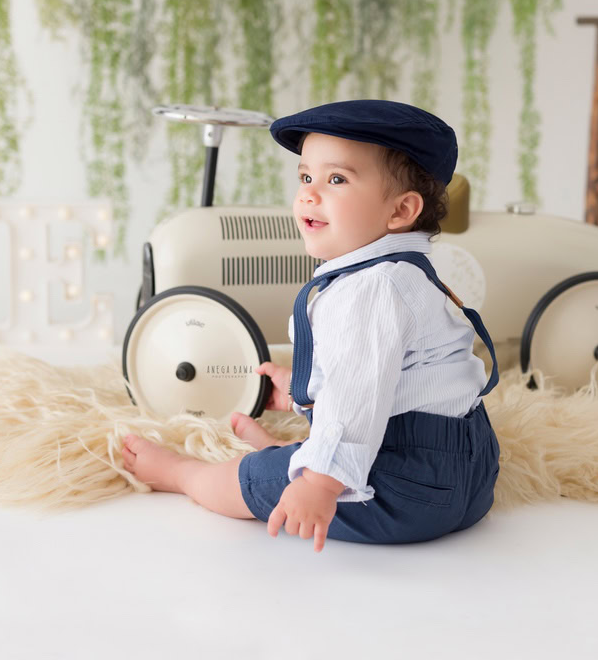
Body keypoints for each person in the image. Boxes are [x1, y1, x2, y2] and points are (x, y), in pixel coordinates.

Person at [121, 99, 501, 551]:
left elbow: (356, 395)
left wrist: (319, 484)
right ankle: (294, 456)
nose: (308, 194)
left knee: (253, 480)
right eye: (305, 177)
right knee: (317, 444)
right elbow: (383, 377)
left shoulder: (371, 287)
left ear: (401, 211)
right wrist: (304, 387)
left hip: (405, 486)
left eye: (336, 179)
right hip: (471, 478)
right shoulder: (402, 273)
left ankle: (182, 474)